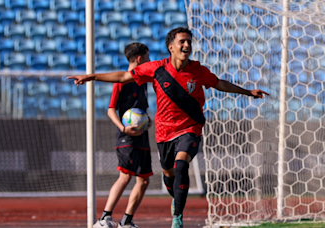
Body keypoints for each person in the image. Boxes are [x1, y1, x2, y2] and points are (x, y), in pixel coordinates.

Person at [68, 27, 269, 228]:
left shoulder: (198, 71)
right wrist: (91, 76)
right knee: (169, 173)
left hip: (190, 128)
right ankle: (173, 196)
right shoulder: (156, 69)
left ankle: (177, 218)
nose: (187, 45)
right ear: (170, 47)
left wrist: (248, 92)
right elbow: (123, 77)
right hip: (164, 133)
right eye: (182, 41)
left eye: (189, 41)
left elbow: (219, 84)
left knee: (181, 165)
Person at [93, 43, 152, 228]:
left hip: (142, 136)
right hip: (126, 136)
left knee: (143, 180)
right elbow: (111, 110)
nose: (150, 61)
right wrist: (123, 128)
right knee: (125, 176)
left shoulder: (143, 82)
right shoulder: (121, 80)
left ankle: (126, 221)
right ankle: (104, 218)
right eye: (148, 57)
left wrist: (147, 121)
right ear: (140, 59)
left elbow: (142, 111)